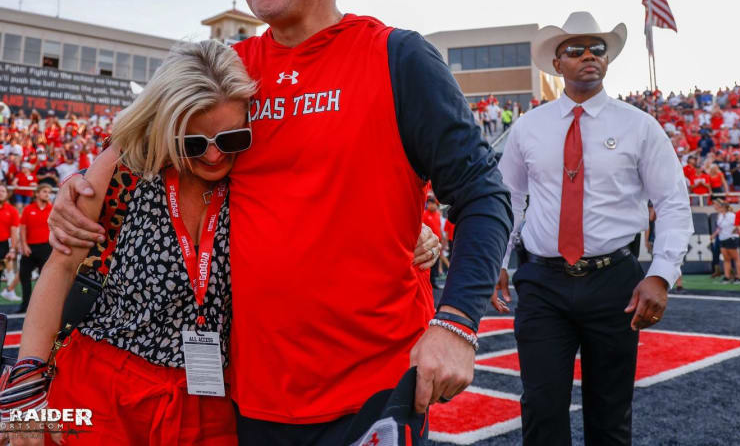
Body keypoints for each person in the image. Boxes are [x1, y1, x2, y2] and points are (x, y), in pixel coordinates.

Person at [48, 0, 512, 445]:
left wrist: (456, 321)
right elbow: (138, 136)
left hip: (375, 386)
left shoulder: (399, 57)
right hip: (249, 395)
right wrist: (77, 186)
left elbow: (484, 196)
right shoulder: (230, 74)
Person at [14, 42, 441, 445]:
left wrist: (415, 233)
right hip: (102, 385)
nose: (216, 156)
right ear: (166, 125)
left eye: (232, 140)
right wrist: (26, 387)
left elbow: (334, 211)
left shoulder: (257, 169)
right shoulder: (128, 166)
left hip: (211, 397)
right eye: (194, 143)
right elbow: (61, 268)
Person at [493, 11, 692, 445]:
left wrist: (660, 273)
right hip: (542, 280)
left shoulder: (640, 126)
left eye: (597, 49)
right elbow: (509, 199)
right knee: (541, 408)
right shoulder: (528, 126)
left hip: (614, 282)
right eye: (576, 49)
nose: (589, 56)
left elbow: (673, 201)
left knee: (610, 412)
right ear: (557, 63)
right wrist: (498, 261)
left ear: (607, 60)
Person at [17, 184, 53, 314]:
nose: (47, 194)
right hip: (30, 248)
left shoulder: (52, 209)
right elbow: (22, 229)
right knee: (24, 276)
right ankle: (24, 305)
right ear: (37, 194)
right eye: (44, 191)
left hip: (46, 248)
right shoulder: (28, 209)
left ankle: (40, 308)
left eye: (48, 192)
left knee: (44, 280)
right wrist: (24, 245)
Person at [711, 199, 740, 284]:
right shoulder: (720, 216)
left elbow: (739, 224)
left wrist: (735, 231)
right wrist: (714, 234)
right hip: (722, 238)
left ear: (724, 207)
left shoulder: (731, 215)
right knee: (726, 259)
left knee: (736, 258)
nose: (718, 208)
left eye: (720, 207)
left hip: (731, 238)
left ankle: (739, 277)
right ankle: (727, 277)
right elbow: (719, 227)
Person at [0, 184, 22, 302]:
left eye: (3, 190)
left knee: (9, 268)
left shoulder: (12, 210)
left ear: (6, 194)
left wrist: (13, 249)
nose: (1, 192)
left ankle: (9, 292)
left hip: (4, 244)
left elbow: (14, 231)